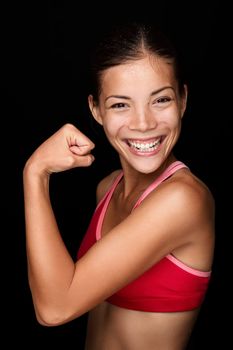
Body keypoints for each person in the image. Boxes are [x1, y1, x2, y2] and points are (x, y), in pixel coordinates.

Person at [23, 21, 215, 350]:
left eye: (161, 100)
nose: (143, 123)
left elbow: (54, 308)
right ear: (95, 110)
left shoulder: (183, 200)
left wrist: (35, 172)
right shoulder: (108, 187)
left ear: (183, 100)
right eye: (120, 104)